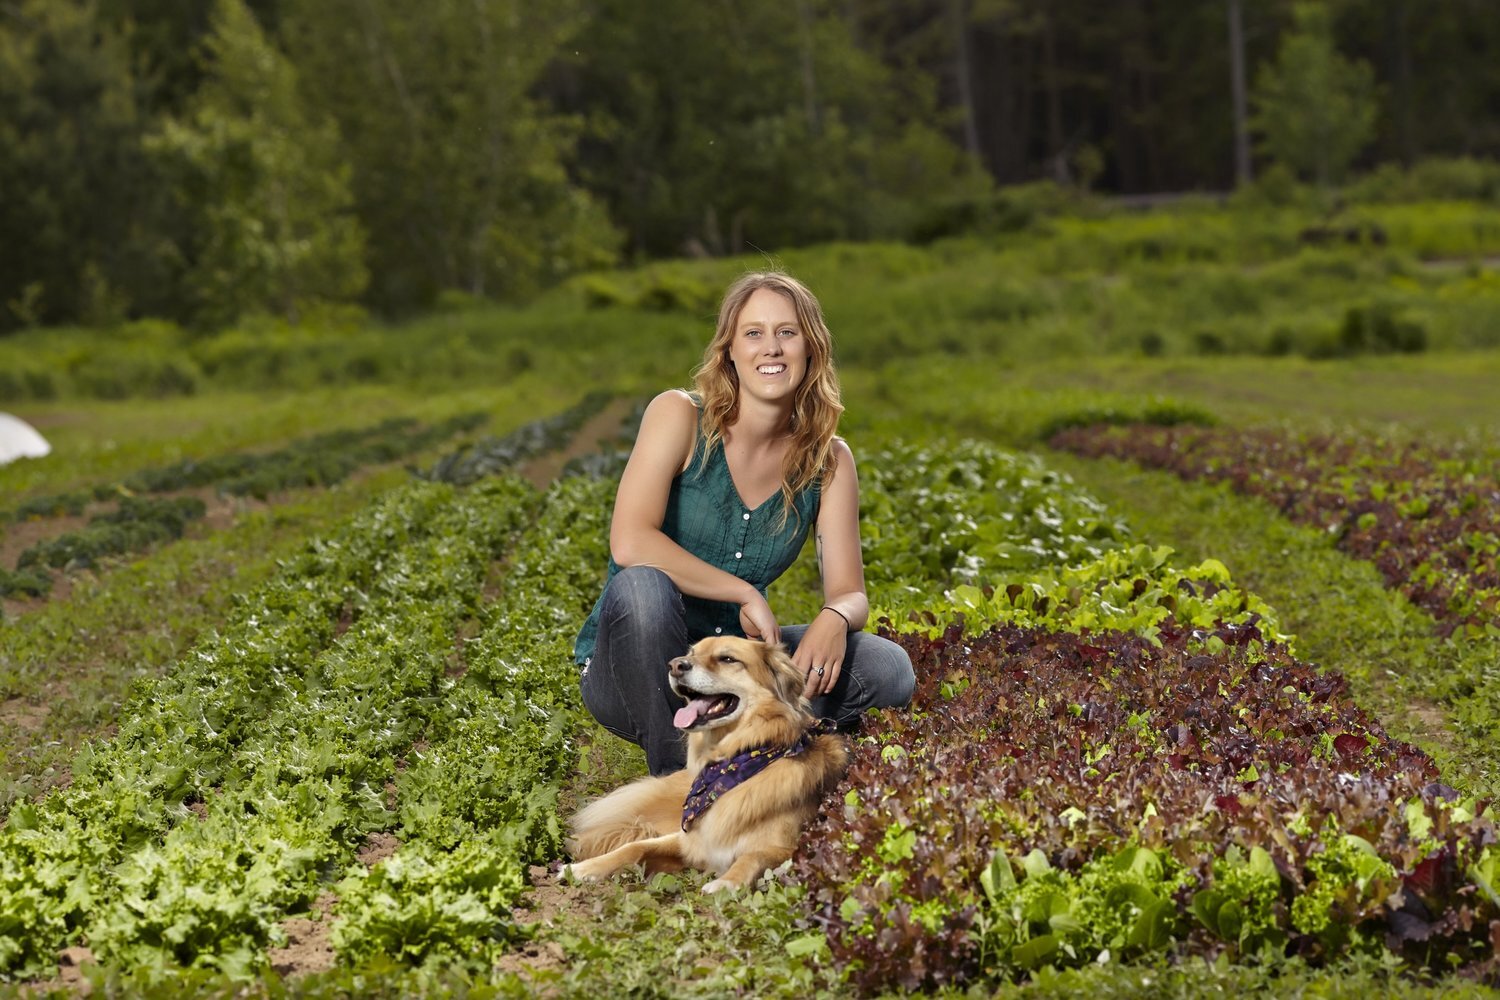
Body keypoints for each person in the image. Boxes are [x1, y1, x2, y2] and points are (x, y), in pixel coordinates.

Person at [573, 271, 915, 775]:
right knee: (642, 588)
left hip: (733, 675)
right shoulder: (678, 417)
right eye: (753, 333)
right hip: (635, 669)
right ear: (730, 350)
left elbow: (850, 591)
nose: (771, 348)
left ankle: (754, 740)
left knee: (887, 666)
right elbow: (630, 542)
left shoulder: (829, 461)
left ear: (811, 349)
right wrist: (743, 592)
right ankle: (685, 781)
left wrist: (836, 618)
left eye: (787, 332)